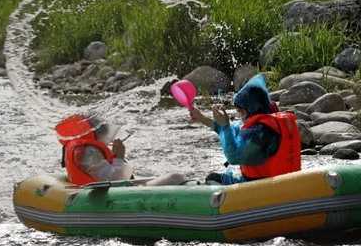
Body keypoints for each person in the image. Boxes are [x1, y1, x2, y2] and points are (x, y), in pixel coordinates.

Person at [188, 74, 301, 184]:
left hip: (262, 188)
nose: (238, 116)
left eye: (239, 111)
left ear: (247, 111)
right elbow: (232, 133)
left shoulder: (260, 133)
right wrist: (202, 118)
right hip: (286, 184)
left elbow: (233, 157)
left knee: (212, 178)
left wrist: (225, 126)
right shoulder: (268, 124)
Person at [56, 113, 184, 186]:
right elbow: (116, 181)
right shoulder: (90, 152)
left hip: (96, 191)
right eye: (104, 134)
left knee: (167, 178)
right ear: (94, 133)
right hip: (103, 198)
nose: (107, 138)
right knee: (176, 177)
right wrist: (119, 157)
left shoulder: (81, 148)